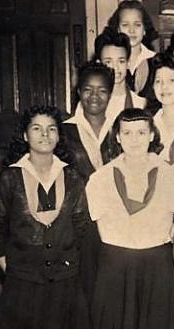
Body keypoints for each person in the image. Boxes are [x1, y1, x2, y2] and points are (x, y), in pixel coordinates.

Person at [0, 106, 91, 329]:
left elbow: (82, 228)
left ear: (59, 136)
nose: (45, 134)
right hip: (22, 285)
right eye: (37, 128)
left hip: (67, 284)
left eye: (51, 128)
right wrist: (16, 270)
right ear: (25, 135)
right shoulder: (8, 179)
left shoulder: (73, 177)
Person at [86, 108, 174, 329]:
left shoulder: (171, 175)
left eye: (140, 133)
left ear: (151, 135)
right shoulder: (100, 178)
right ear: (117, 137)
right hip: (115, 266)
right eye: (127, 133)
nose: (134, 140)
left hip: (157, 266)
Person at [62, 61, 115, 306]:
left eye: (102, 90)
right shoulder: (64, 131)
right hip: (80, 223)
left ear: (110, 93)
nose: (94, 96)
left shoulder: (120, 129)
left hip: (117, 219)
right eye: (88, 89)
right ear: (78, 91)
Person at [94, 27, 145, 118]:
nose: (115, 68)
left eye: (121, 61)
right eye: (108, 62)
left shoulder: (141, 104)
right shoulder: (91, 104)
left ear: (128, 63)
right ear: (99, 64)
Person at [107, 0, 158, 92]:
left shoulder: (156, 60)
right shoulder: (109, 60)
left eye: (137, 25)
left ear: (144, 29)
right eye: (125, 25)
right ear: (118, 29)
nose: (131, 30)